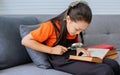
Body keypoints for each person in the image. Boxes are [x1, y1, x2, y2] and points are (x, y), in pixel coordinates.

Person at [21, 1, 120, 75]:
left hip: (73, 55)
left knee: (113, 64)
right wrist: (51, 50)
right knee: (104, 70)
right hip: (60, 60)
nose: (78, 32)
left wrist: (79, 50)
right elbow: (26, 41)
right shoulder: (50, 26)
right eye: (77, 29)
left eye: (82, 30)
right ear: (68, 19)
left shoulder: (73, 28)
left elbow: (73, 44)